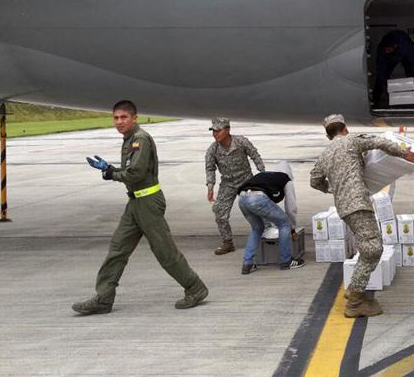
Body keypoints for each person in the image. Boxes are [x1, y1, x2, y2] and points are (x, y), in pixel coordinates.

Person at [72, 100, 207, 315]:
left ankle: (195, 287)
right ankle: (104, 298)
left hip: (148, 202)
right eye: (116, 118)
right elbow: (131, 171)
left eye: (123, 117)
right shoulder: (129, 140)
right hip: (135, 202)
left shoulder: (140, 139)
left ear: (134, 118)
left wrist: (111, 174)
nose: (119, 122)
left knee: (164, 251)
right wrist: (110, 169)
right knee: (117, 249)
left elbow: (136, 173)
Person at [310, 114, 414, 318]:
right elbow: (379, 142)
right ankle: (355, 302)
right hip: (358, 204)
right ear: (345, 130)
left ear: (328, 136)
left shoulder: (325, 154)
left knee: (367, 247)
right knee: (373, 249)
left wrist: (332, 188)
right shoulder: (351, 141)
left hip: (344, 207)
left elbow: (315, 180)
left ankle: (355, 289)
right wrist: (403, 153)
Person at [206, 117, 265, 255]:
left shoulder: (241, 141)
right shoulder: (213, 149)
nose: (215, 134)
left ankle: (267, 236)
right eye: (213, 131)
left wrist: (262, 174)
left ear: (227, 130)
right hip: (228, 183)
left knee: (259, 208)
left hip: (246, 181)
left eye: (218, 131)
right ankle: (227, 243)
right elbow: (210, 168)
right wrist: (210, 186)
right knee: (219, 212)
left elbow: (255, 155)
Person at [237, 162, 304, 274]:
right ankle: (286, 261)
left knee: (257, 228)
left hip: (242, 199)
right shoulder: (286, 180)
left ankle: (247, 264)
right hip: (257, 198)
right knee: (284, 224)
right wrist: (292, 227)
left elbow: (264, 207)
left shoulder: (266, 176)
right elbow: (291, 208)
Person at [372, 29, 414, 108]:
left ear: (395, 46)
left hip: (404, 54)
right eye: (385, 50)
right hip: (391, 57)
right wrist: (385, 86)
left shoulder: (406, 46)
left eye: (388, 49)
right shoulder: (382, 49)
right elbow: (380, 68)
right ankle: (374, 102)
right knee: (380, 78)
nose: (386, 51)